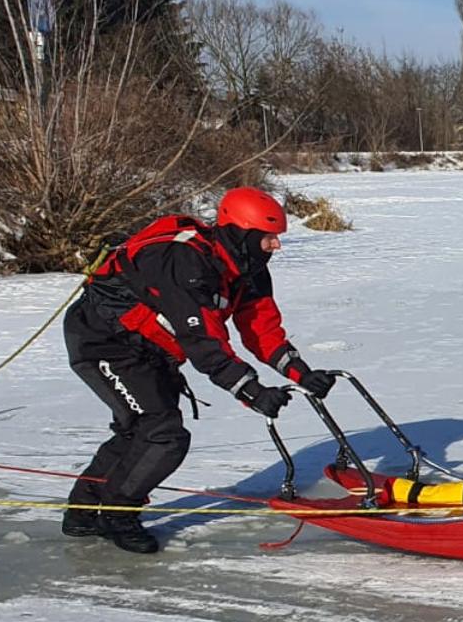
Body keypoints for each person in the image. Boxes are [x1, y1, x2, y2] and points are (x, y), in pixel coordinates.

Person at [60, 187, 336, 553]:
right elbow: (205, 343)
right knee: (162, 434)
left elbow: (261, 329)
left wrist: (301, 372)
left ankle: (82, 513)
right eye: (268, 237)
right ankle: (117, 515)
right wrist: (252, 392)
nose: (276, 245)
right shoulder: (184, 263)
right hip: (103, 340)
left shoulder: (248, 268)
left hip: (150, 349)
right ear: (241, 234)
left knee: (139, 429)